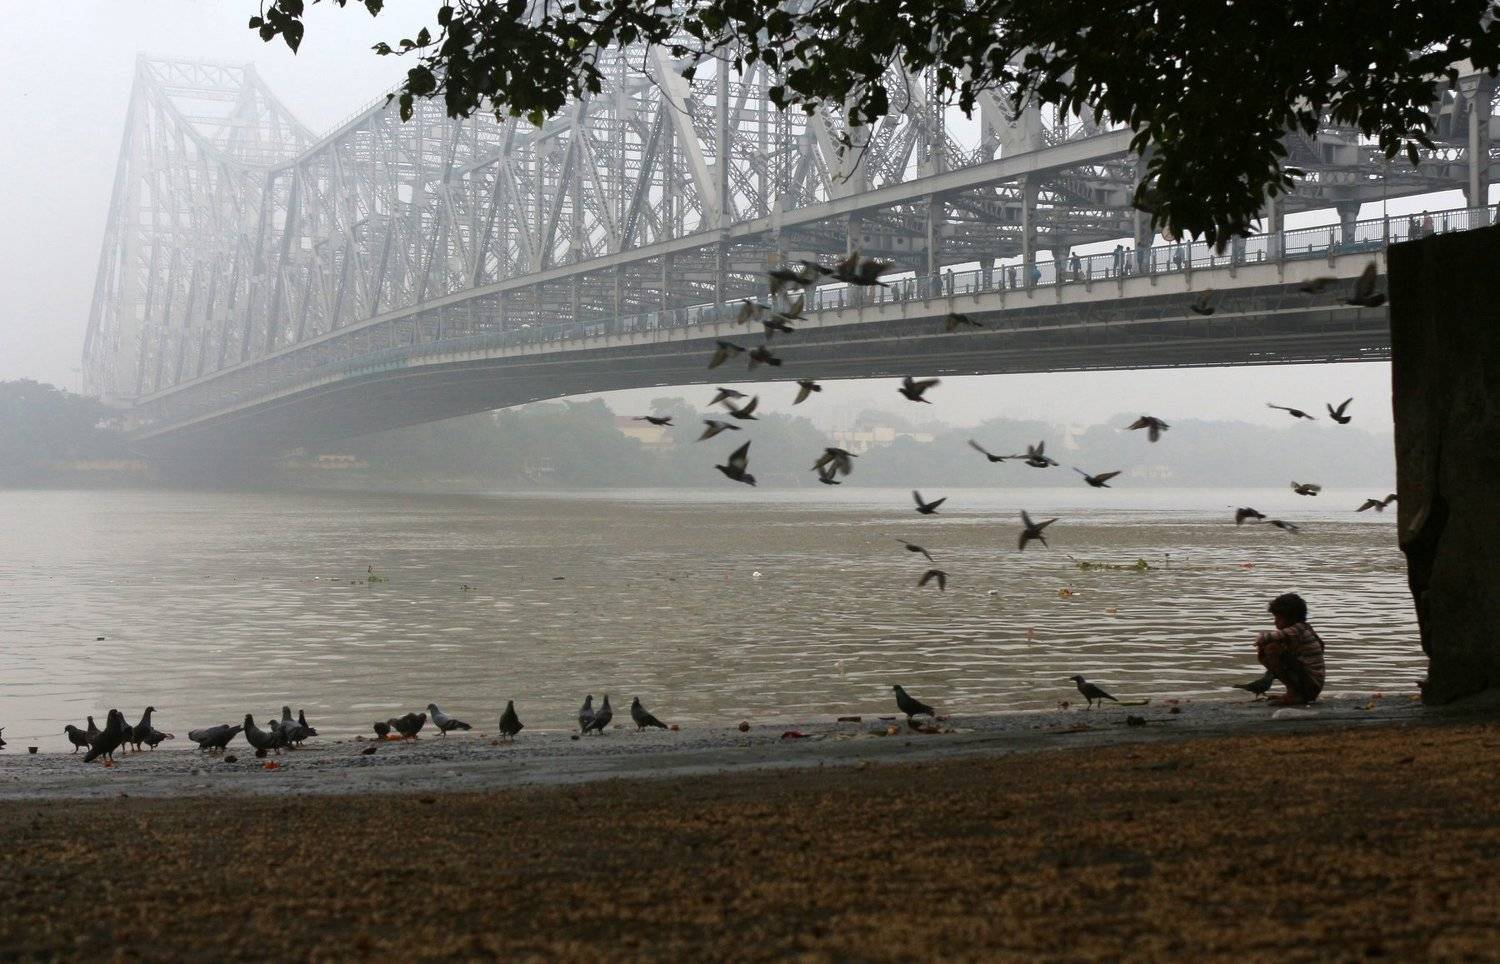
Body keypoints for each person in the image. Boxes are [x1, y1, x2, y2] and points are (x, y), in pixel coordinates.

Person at [1255, 593, 1326, 705]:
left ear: (1292, 618)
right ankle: (1295, 692)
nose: (1275, 622)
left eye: (1278, 618)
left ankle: (1295, 694)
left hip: (1311, 683)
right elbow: (1322, 646)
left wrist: (1261, 639)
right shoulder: (1306, 628)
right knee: (1269, 650)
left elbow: (1272, 636)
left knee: (1271, 649)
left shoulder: (1298, 629)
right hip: (1312, 684)